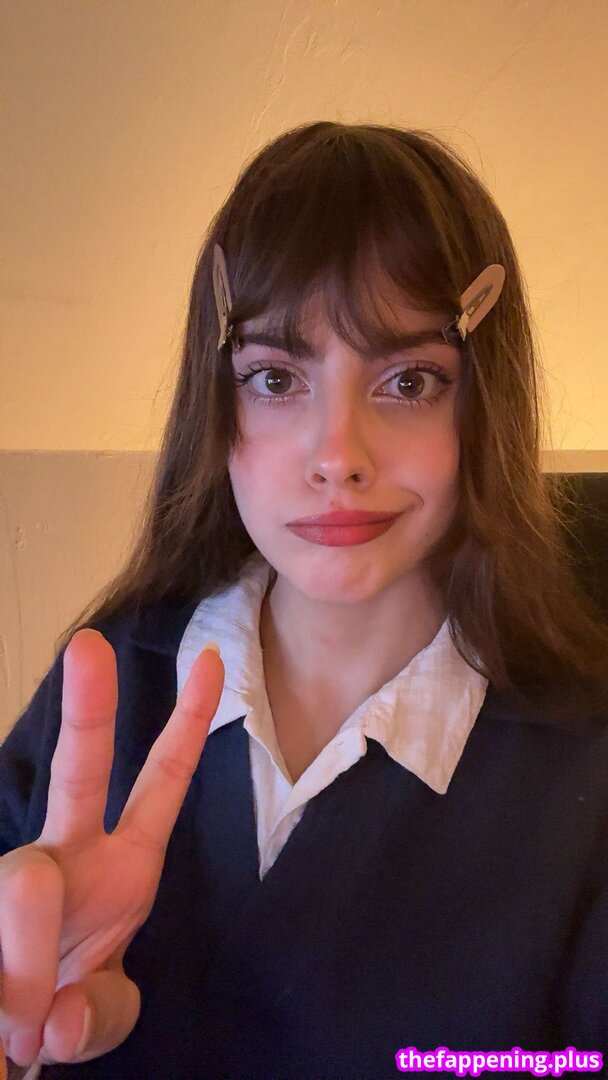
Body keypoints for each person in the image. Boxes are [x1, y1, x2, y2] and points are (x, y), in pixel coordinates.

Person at [0, 122, 607, 1080]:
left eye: (410, 381)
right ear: (218, 402)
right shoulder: (106, 692)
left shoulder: (580, 767)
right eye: (276, 378)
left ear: (481, 406)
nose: (338, 456)